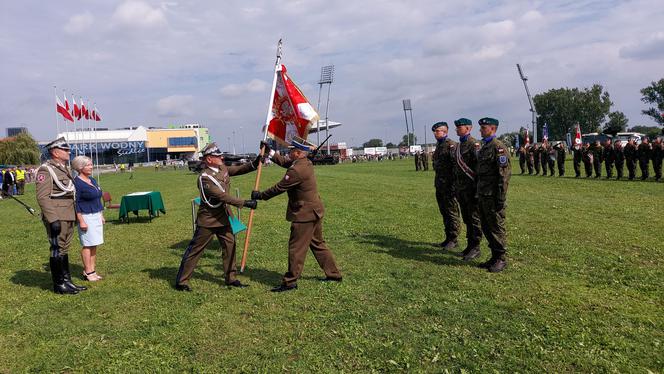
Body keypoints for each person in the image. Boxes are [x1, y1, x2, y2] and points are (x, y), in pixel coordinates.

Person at [252, 138, 342, 292]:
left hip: (304, 214)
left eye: (292, 151)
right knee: (318, 244)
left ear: (298, 153)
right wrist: (270, 152)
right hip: (314, 210)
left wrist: (260, 195)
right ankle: (334, 274)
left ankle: (290, 281)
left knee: (296, 248)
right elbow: (286, 162)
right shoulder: (304, 163)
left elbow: (280, 187)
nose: (289, 153)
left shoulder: (297, 170)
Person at [174, 142, 259, 291]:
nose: (221, 157)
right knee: (195, 250)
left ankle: (231, 278)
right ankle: (182, 281)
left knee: (230, 246)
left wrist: (255, 163)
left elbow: (239, 169)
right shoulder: (205, 178)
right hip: (208, 220)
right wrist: (245, 203)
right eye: (217, 156)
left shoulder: (222, 168)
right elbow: (222, 196)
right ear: (208, 159)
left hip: (224, 218)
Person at [36, 137, 86, 294]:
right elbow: (43, 197)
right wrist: (52, 219)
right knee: (57, 248)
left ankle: (67, 281)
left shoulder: (63, 168)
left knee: (64, 248)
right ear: (55, 152)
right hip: (57, 215)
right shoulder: (46, 169)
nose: (68, 152)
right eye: (65, 150)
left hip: (67, 214)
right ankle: (59, 284)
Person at [476, 118, 511, 272]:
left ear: (493, 129)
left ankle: (501, 259)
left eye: (484, 128)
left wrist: (500, 198)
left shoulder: (498, 148)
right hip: (483, 194)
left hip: (493, 196)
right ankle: (494, 256)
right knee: (486, 226)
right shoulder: (485, 147)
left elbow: (503, 175)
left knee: (496, 227)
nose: (481, 130)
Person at [452, 118, 483, 261]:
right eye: (457, 127)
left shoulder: (473, 144)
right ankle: (470, 246)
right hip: (461, 190)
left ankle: (476, 247)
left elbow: (479, 168)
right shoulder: (459, 145)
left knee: (474, 219)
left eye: (460, 127)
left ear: (468, 128)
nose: (457, 129)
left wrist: (478, 190)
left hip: (471, 189)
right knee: (467, 218)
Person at [72, 156, 105, 282]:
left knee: (94, 243)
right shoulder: (77, 183)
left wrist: (101, 214)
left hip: (96, 215)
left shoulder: (92, 180)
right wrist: (81, 220)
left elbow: (97, 198)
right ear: (80, 167)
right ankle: (88, 271)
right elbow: (76, 203)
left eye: (91, 164)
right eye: (88, 165)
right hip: (86, 216)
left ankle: (93, 269)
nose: (91, 167)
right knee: (87, 244)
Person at [430, 122, 460, 250]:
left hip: (449, 186)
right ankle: (448, 237)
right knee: (444, 212)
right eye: (435, 131)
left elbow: (456, 166)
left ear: (445, 131)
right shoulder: (439, 146)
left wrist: (454, 185)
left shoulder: (451, 145)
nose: (435, 133)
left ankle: (454, 239)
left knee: (452, 212)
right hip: (440, 185)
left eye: (438, 131)